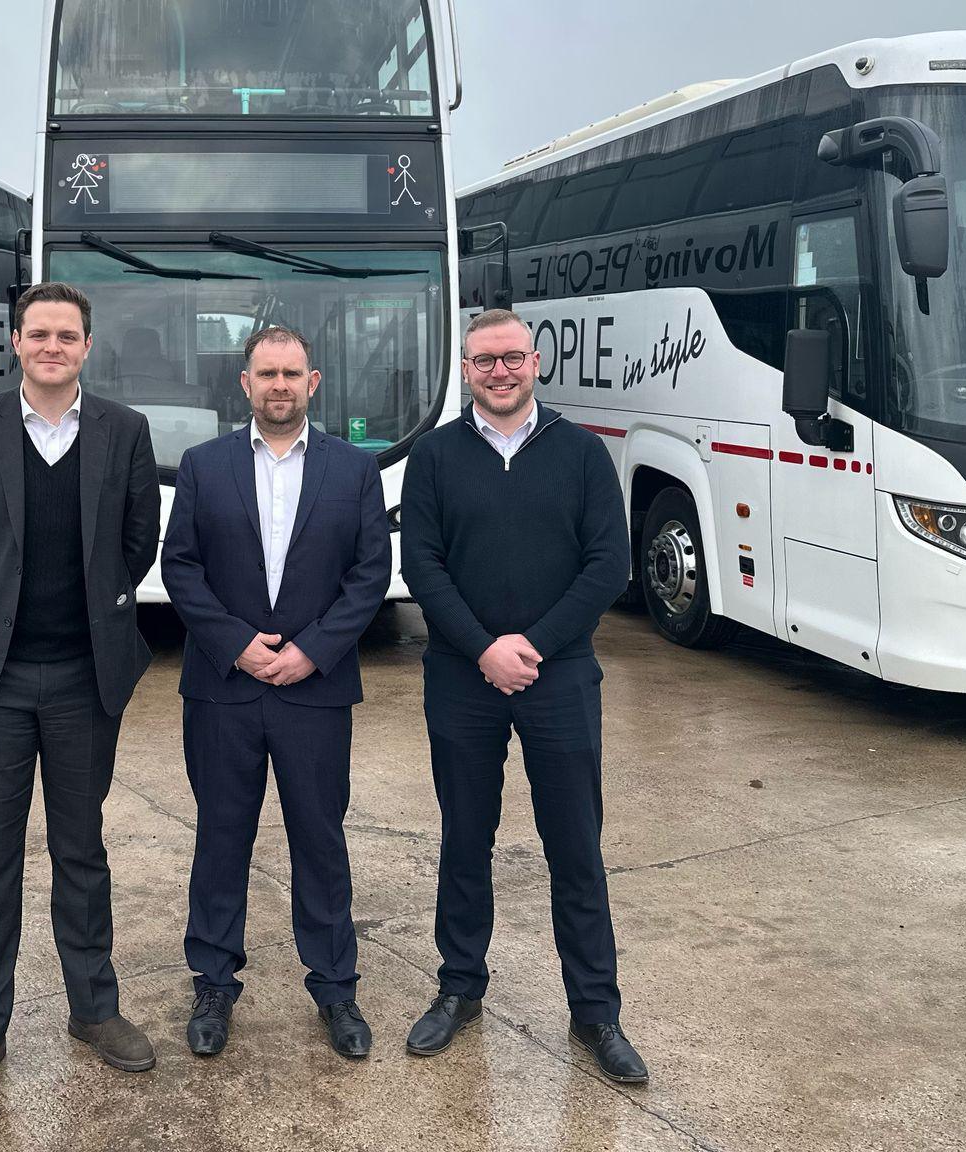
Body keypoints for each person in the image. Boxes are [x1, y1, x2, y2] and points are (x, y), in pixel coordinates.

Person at [0, 282, 163, 1109]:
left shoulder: (124, 432)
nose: (52, 346)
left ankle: (94, 1011)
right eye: (38, 334)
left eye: (67, 335)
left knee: (81, 853)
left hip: (84, 679)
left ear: (87, 346)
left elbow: (138, 543)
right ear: (16, 343)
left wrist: (87, 618)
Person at [397, 308, 648, 1084]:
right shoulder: (434, 456)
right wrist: (483, 648)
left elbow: (609, 564)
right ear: (465, 370)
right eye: (483, 362)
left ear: (534, 363)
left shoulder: (581, 454)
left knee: (575, 847)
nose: (497, 373)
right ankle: (459, 988)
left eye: (510, 359)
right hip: (461, 677)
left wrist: (531, 647)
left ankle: (596, 1013)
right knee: (463, 840)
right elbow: (423, 565)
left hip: (560, 676)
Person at [160, 326, 392, 1059]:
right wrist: (238, 645)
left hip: (314, 691)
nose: (280, 385)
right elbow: (182, 569)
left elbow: (369, 575)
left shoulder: (355, 470)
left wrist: (311, 652)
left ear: (314, 383)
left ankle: (335, 989)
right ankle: (214, 984)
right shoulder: (204, 466)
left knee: (320, 841)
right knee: (221, 836)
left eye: (293, 373)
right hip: (224, 688)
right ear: (246, 384)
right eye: (267, 373)